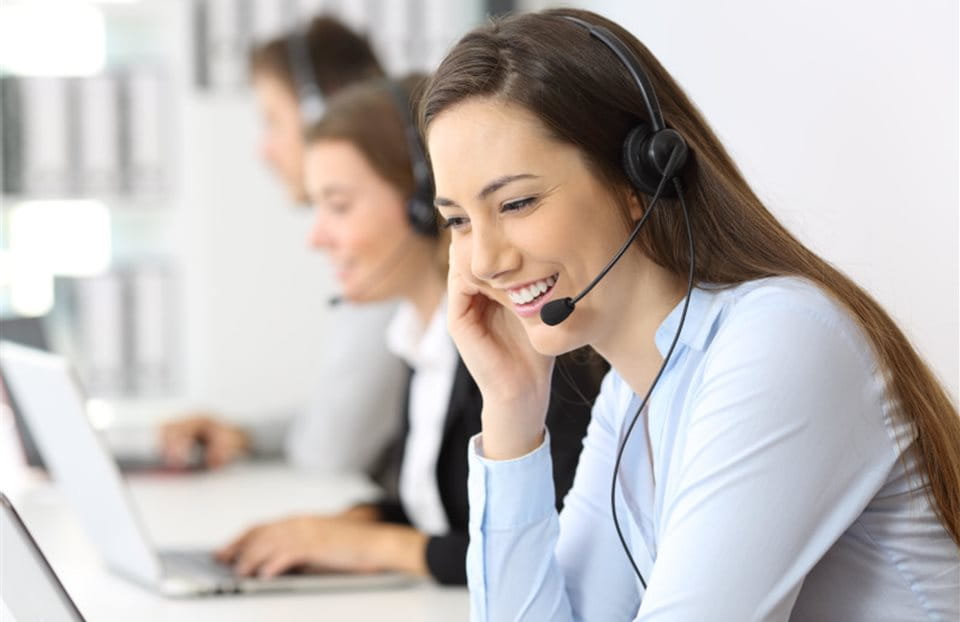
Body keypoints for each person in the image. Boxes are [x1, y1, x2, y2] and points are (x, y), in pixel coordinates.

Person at [421, 8, 960, 620]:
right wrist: (511, 411)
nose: (484, 260)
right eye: (458, 221)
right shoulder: (631, 398)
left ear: (638, 178)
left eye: (516, 202)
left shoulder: (782, 340)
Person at [213, 75, 607, 586]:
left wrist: (372, 545)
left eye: (339, 205)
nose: (316, 237)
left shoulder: (530, 346)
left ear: (423, 204)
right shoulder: (418, 340)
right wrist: (345, 527)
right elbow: (437, 509)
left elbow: (539, 542)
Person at [161, 16, 407, 477]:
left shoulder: (387, 260)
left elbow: (331, 450)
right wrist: (247, 436)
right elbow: (330, 426)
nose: (263, 149)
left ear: (322, 119)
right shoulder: (369, 249)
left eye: (272, 121)